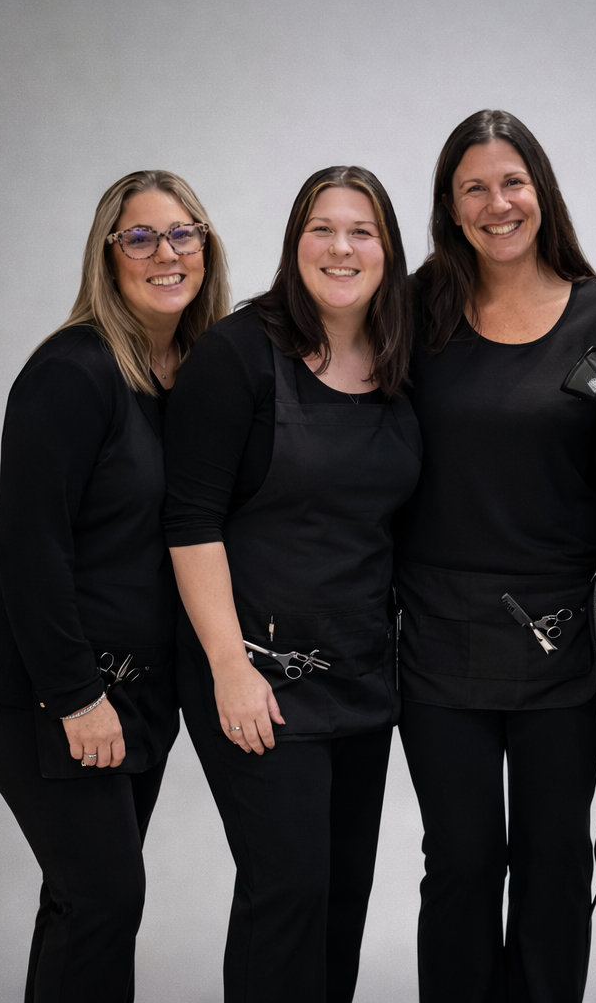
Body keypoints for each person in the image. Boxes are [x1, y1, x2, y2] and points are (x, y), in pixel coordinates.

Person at [164, 165, 419, 1003]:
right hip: (255, 673)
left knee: (344, 892)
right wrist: (230, 670)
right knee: (288, 891)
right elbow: (190, 521)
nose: (341, 248)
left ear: (387, 249)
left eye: (362, 231)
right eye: (323, 228)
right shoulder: (235, 356)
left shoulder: (402, 362)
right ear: (294, 242)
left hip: (359, 669)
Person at [394, 109, 596, 1002]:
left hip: (566, 633)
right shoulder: (412, 312)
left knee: (556, 860)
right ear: (451, 209)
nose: (498, 203)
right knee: (460, 860)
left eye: (513, 181)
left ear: (544, 191)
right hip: (437, 630)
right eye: (474, 188)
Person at [0, 170, 229, 1002]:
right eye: (142, 237)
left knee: (80, 900)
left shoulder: (189, 376)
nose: (167, 253)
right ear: (109, 255)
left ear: (206, 245)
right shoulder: (73, 371)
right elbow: (28, 545)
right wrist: (75, 696)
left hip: (138, 691)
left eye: (183, 233)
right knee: (106, 898)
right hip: (50, 687)